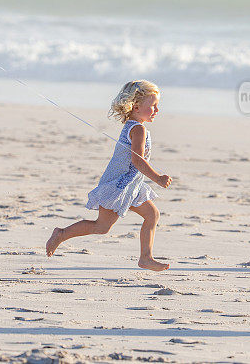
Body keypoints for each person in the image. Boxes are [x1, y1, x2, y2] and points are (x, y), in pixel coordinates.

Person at [45, 80, 173, 271]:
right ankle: (61, 233)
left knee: (152, 214)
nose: (156, 109)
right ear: (136, 107)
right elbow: (137, 160)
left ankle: (145, 258)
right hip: (118, 186)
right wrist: (157, 178)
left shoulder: (134, 125)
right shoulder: (138, 129)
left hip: (131, 185)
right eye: (152, 105)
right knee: (101, 227)